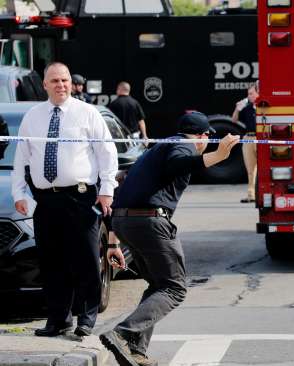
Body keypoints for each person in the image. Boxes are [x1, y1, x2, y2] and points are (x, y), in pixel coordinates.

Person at [99, 112, 240, 366]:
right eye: (208, 137)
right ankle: (122, 332)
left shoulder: (159, 148)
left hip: (124, 221)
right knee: (175, 288)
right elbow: (179, 164)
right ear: (203, 136)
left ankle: (135, 350)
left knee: (158, 284)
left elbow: (121, 184)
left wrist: (112, 241)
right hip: (149, 221)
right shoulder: (181, 146)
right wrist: (218, 156)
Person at [11, 62, 118, 337]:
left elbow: (107, 153)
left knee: (84, 260)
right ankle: (58, 319)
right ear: (45, 84)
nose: (61, 85)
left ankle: (86, 317)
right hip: (45, 201)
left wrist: (107, 189)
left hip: (80, 198)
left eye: (65, 80)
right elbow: (22, 157)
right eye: (55, 80)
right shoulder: (33, 116)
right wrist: (19, 193)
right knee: (51, 262)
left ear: (71, 83)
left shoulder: (87, 113)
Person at [231, 83, 258, 203]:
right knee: (250, 169)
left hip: (260, 138)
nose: (249, 96)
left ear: (258, 94)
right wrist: (237, 108)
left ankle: (261, 193)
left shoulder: (264, 107)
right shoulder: (247, 108)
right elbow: (234, 120)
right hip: (248, 138)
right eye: (248, 94)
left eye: (251, 93)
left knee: (263, 168)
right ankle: (251, 194)